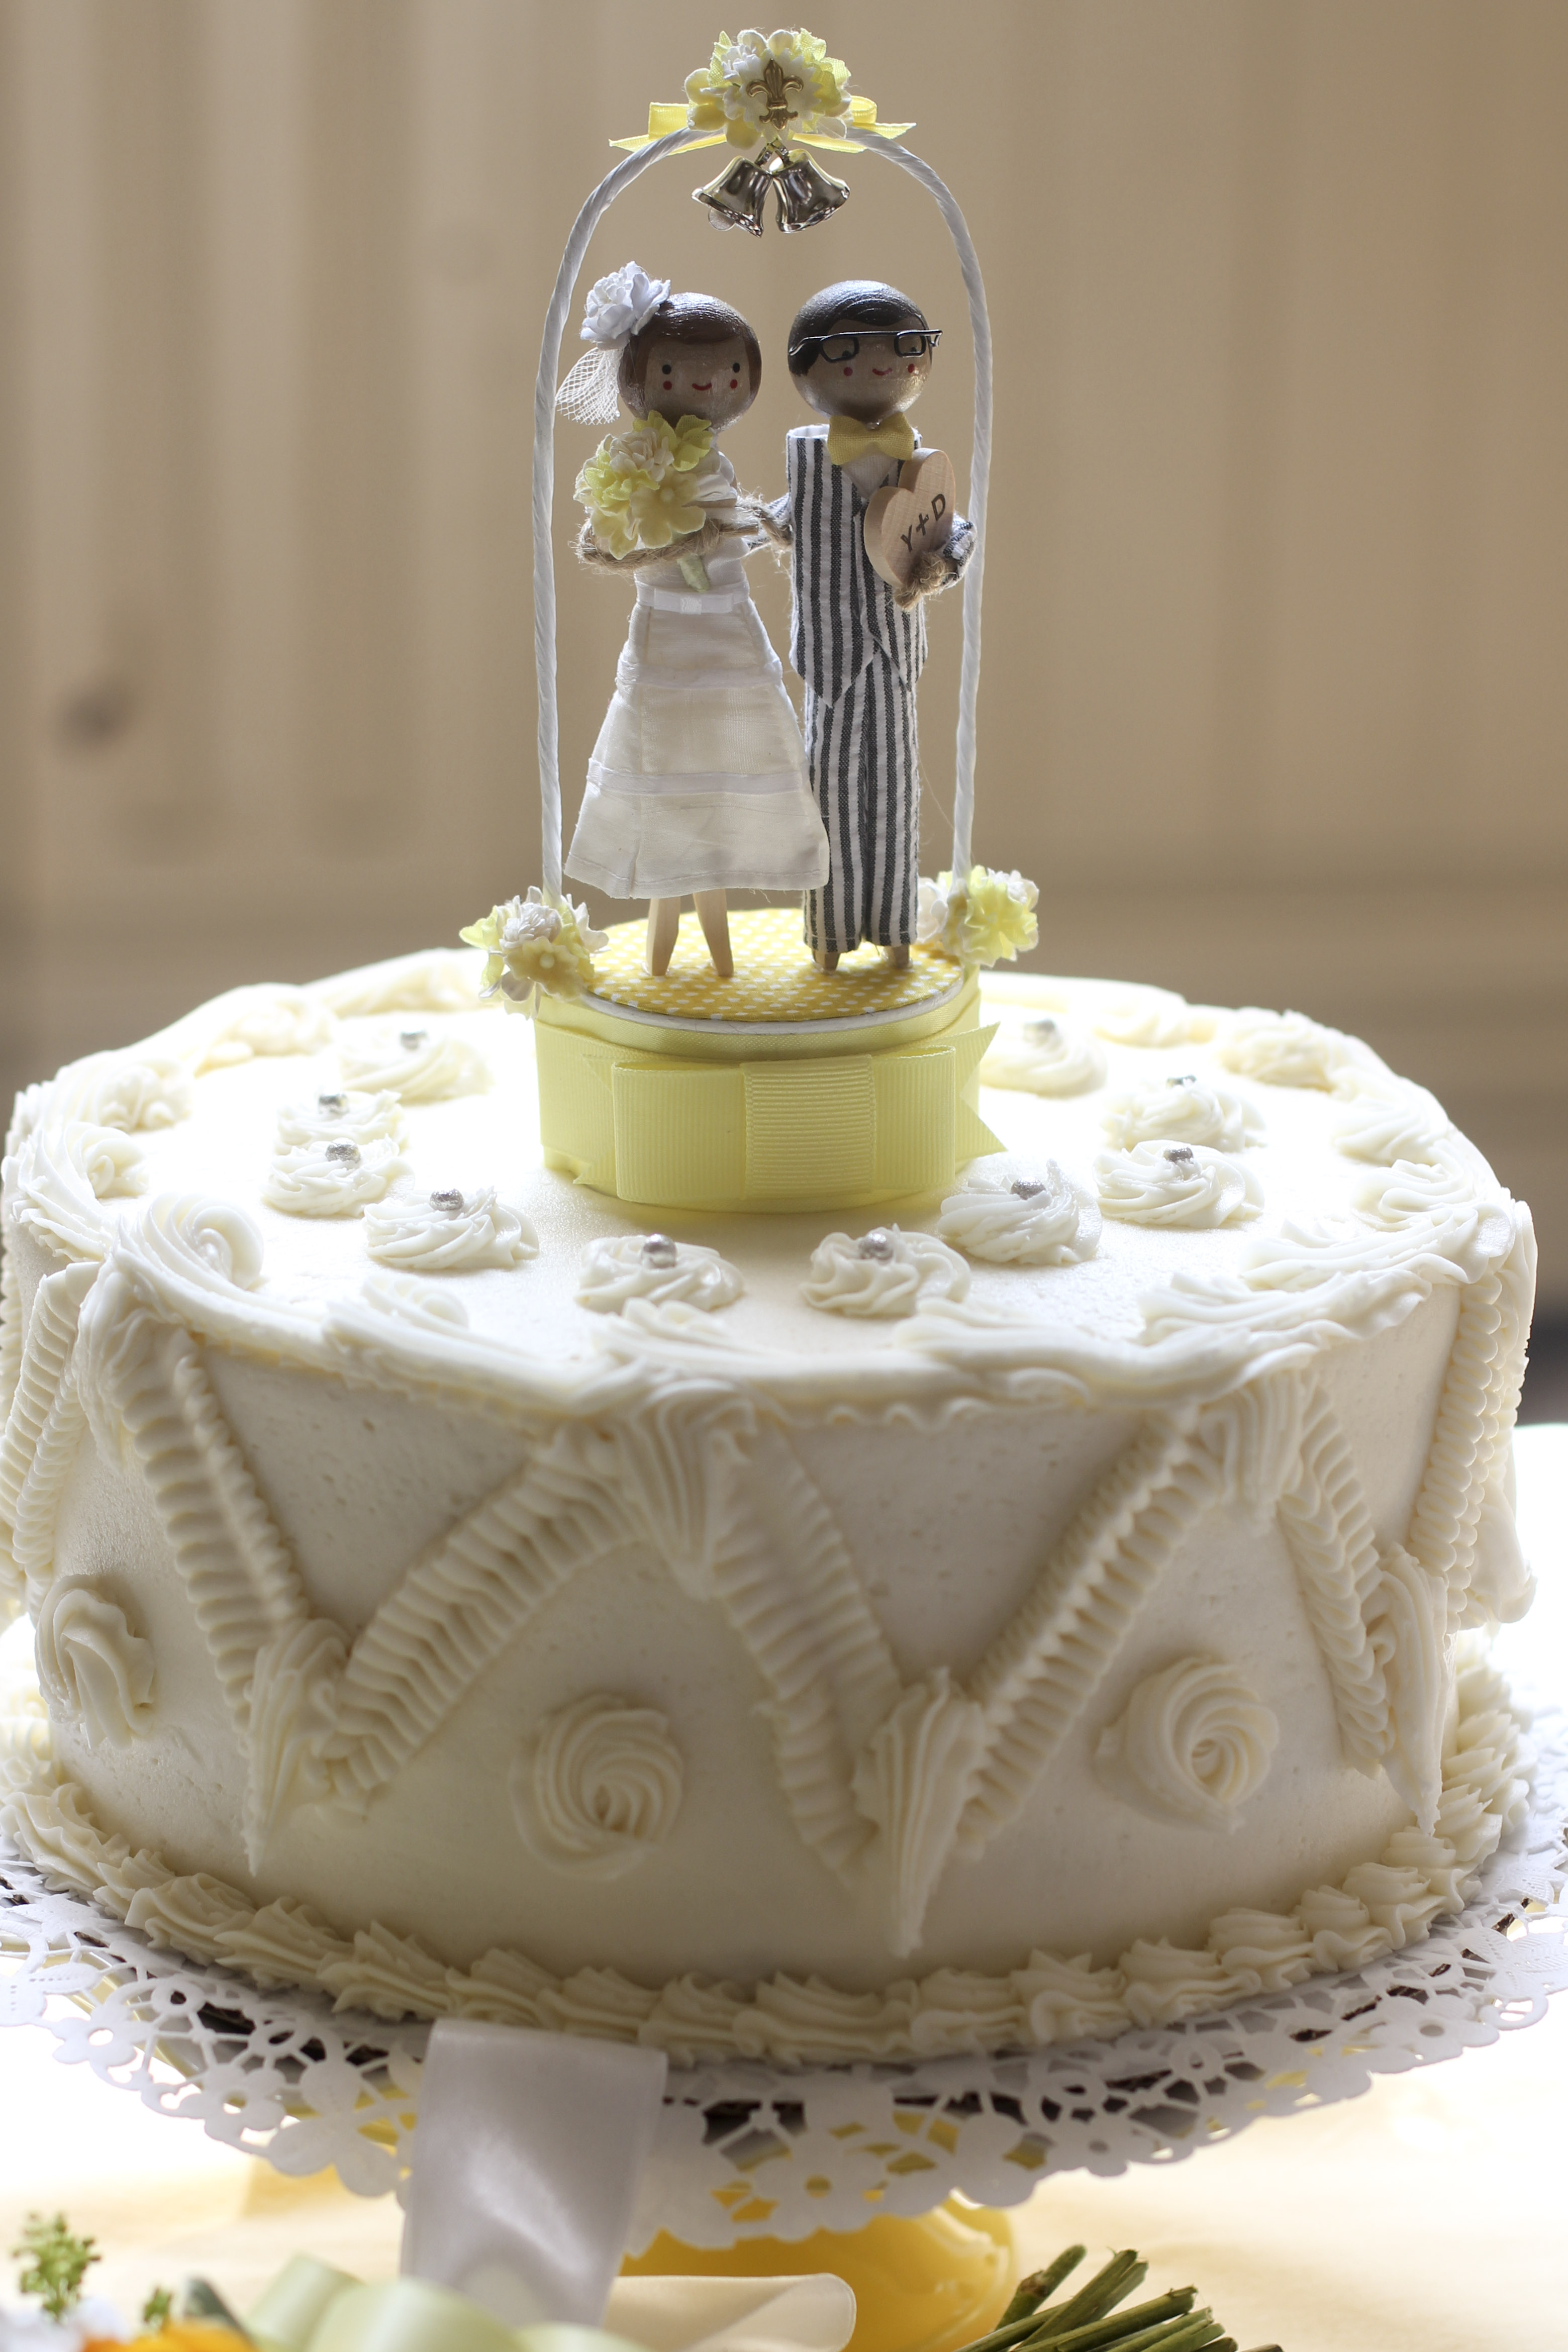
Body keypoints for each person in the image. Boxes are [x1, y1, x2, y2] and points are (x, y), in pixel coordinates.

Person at [562, 272, 827, 978]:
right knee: (666, 760)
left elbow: (727, 521)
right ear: (641, 379)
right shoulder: (635, 465)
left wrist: (729, 527)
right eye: (676, 373)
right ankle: (666, 929)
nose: (709, 385)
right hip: (668, 639)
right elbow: (616, 537)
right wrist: (671, 531)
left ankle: (716, 936)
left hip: (727, 631)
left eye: (731, 372)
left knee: (725, 751)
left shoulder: (710, 464)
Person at [768, 280, 974, 971]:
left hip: (895, 655)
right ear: (807, 365)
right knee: (826, 795)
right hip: (830, 659)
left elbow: (954, 529)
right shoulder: (807, 459)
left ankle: (894, 932)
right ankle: (830, 937)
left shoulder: (921, 462)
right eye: (850, 352)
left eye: (903, 347)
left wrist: (945, 563)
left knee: (894, 794)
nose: (881, 364)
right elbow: (782, 519)